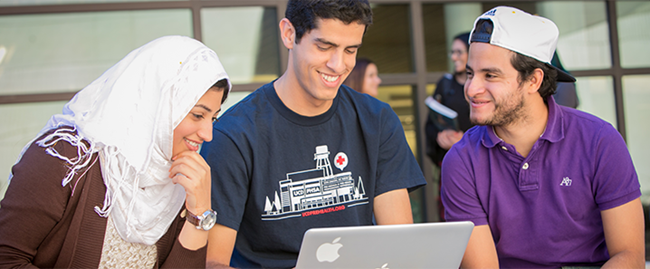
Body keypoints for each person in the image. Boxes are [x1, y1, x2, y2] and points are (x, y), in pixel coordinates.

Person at [201, 0, 426, 268]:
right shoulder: (234, 135)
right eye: (324, 47)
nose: (338, 65)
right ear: (289, 34)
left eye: (350, 50)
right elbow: (212, 263)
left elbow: (399, 246)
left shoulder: (377, 121)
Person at [0, 35, 231, 268]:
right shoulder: (65, 160)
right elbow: (6, 258)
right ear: (156, 104)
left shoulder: (180, 180)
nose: (208, 134)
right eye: (198, 115)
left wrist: (199, 214)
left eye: (213, 117)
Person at [441, 6, 644, 269]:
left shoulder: (600, 141)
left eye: (490, 75)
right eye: (470, 73)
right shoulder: (461, 161)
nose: (471, 88)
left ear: (533, 81)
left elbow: (629, 255)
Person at [424, 32, 474, 221]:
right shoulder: (445, 85)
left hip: (477, 165)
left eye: (459, 52)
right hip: (451, 166)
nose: (454, 57)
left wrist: (465, 141)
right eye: (452, 52)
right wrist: (440, 137)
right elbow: (430, 125)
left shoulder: (480, 86)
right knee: (451, 217)